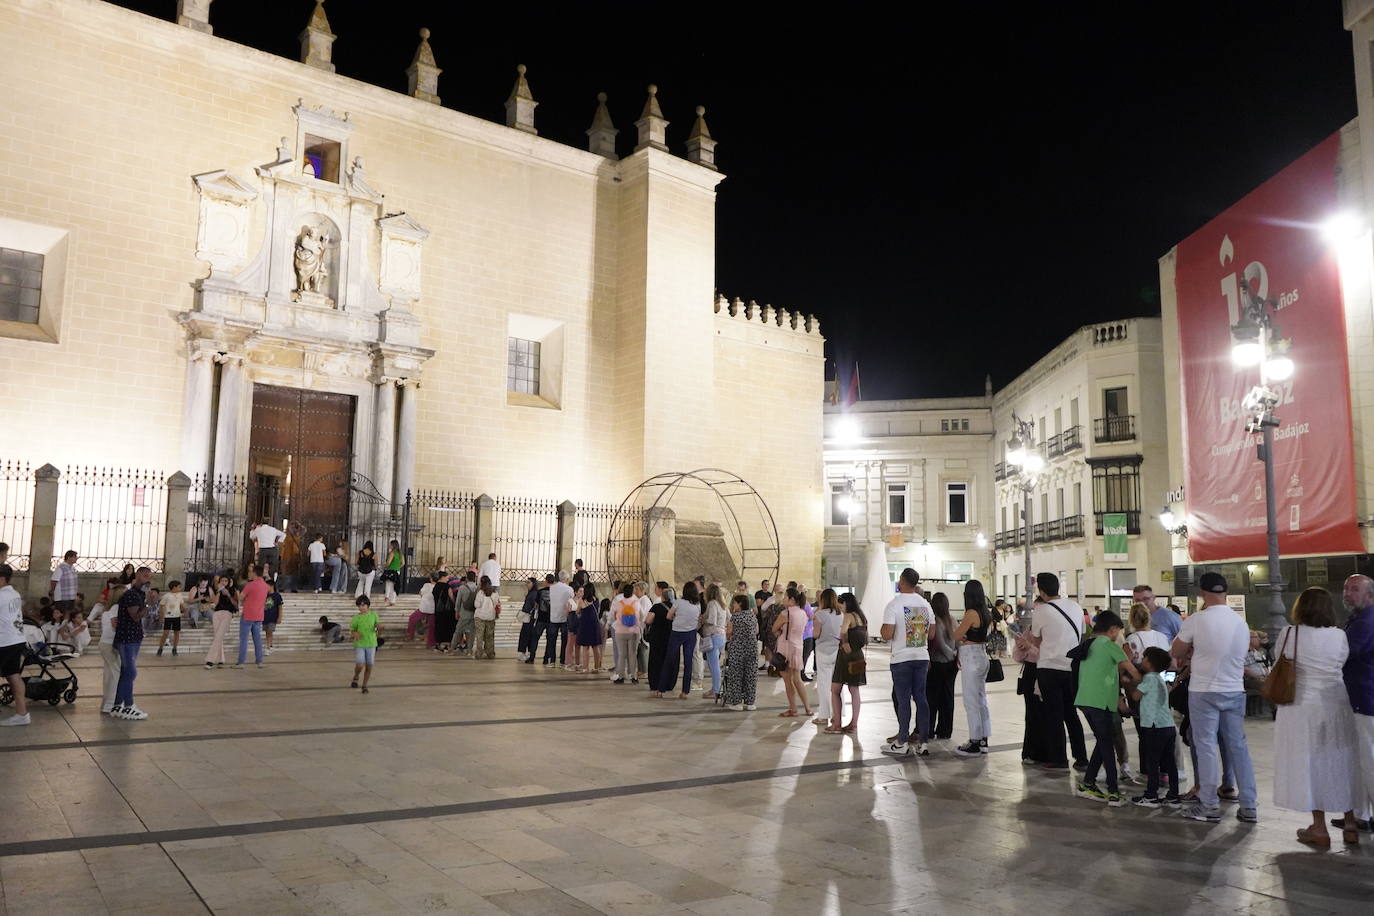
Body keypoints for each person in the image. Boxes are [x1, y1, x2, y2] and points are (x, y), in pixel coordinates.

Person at [1265, 587, 1361, 846]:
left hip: (1301, 707)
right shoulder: (1339, 635)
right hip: (1336, 704)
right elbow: (1342, 663)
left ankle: (1319, 828)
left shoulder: (1290, 633)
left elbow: (1280, 659)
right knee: (1341, 760)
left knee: (1310, 765)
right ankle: (1350, 824)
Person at [1171, 571, 1258, 824]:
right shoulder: (1240, 623)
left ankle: (1209, 804)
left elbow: (1176, 651)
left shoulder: (1197, 620)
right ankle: (1249, 806)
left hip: (1204, 690)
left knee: (1206, 746)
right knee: (1238, 747)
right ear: (1226, 593)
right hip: (1234, 690)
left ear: (1202, 593)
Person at [1073, 610, 1139, 806]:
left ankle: (1088, 783)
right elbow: (1134, 673)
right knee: (1107, 745)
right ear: (1112, 630)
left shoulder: (1089, 644)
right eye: (1119, 632)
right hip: (1100, 703)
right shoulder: (1111, 646)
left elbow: (1104, 670)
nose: (1119, 636)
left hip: (1085, 700)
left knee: (1103, 741)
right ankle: (1113, 792)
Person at [1029, 572, 1089, 771]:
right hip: (1071, 667)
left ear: (1042, 591)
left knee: (1053, 715)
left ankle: (1059, 759)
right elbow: (1081, 634)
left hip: (1049, 668)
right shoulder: (1075, 607)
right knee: (1071, 714)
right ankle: (1081, 758)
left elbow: (1036, 640)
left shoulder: (1041, 610)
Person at [881, 568, 936, 758]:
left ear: (902, 581)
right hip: (921, 656)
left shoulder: (894, 604)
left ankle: (902, 742)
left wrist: (884, 628)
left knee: (903, 700)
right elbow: (931, 634)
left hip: (901, 658)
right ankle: (924, 742)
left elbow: (887, 634)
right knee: (921, 698)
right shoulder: (925, 604)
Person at [1340, 574, 1374, 839]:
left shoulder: (1366, 621)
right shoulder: (1358, 618)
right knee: (1361, 759)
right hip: (1361, 697)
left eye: (1354, 589)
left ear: (1369, 594)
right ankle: (1361, 816)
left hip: (1366, 698)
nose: (1347, 593)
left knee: (1369, 760)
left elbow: (1346, 652)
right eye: (1346, 589)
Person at [1129, 646, 1181, 808]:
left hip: (1154, 726)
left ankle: (1151, 795)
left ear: (1150, 663)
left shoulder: (1149, 679)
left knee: (1152, 762)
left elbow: (1135, 696)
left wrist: (1130, 683)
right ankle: (1173, 795)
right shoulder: (1159, 678)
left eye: (1144, 659)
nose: (1142, 661)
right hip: (1167, 725)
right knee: (1170, 762)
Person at [953, 579, 994, 757]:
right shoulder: (986, 612)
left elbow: (956, 635)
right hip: (982, 656)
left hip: (971, 657)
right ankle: (983, 739)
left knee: (971, 701)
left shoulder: (971, 613)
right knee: (981, 699)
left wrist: (962, 636)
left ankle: (974, 741)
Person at [112, 566, 153, 720]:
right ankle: (128, 706)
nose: (148, 579)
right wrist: (148, 604)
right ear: (138, 575)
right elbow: (135, 616)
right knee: (130, 672)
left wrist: (147, 602)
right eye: (146, 576)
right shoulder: (131, 594)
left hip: (134, 637)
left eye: (150, 577)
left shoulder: (139, 594)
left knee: (126, 672)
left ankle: (118, 706)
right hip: (127, 639)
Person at [826, 593, 868, 734]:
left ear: (846, 603)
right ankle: (853, 724)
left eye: (840, 604)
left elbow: (843, 632)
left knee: (835, 689)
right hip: (858, 655)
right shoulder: (861, 617)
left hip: (846, 656)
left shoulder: (848, 616)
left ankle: (837, 724)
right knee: (854, 690)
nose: (839, 607)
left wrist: (844, 643)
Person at [654, 581, 703, 699]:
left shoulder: (678, 602)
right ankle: (685, 691)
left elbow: (669, 616)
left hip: (677, 633)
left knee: (669, 660)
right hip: (690, 634)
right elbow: (698, 618)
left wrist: (678, 618)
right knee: (688, 662)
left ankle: (661, 689)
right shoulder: (697, 604)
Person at [926, 591, 958, 741]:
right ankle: (945, 730)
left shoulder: (936, 621)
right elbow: (958, 640)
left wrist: (950, 655)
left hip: (937, 664)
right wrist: (955, 655)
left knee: (932, 698)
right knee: (948, 698)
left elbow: (940, 644)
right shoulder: (952, 620)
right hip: (951, 666)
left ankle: (929, 729)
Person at [0, 564, 30, 727]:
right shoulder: (14, 594)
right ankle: (22, 714)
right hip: (17, 639)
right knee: (13, 676)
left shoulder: (1, 596)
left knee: (13, 676)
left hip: (4, 641)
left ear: (2, 578)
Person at [721, 593, 759, 710]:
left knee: (736, 675)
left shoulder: (735, 617)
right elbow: (756, 630)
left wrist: (729, 637)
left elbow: (729, 632)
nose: (733, 605)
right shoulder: (752, 616)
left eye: (735, 603)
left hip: (737, 648)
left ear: (740, 604)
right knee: (750, 675)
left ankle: (736, 703)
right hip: (752, 648)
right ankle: (750, 703)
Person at [811, 589, 842, 725]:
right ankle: (837, 714)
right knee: (837, 684)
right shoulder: (840, 614)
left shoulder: (820, 614)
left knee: (823, 684)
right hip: (837, 650)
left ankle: (823, 716)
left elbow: (816, 634)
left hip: (823, 651)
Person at [95, 586, 125, 715]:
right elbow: (115, 625)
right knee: (114, 674)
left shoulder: (108, 609)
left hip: (105, 643)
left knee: (109, 674)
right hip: (110, 644)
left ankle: (106, 703)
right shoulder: (117, 608)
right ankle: (110, 704)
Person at [234, 564, 268, 668]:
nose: (250, 574)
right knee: (257, 639)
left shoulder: (250, 585)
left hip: (248, 615)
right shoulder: (265, 586)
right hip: (259, 615)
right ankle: (259, 661)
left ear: (254, 573)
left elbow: (241, 597)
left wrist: (241, 596)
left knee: (244, 639)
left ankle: (241, 662)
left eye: (251, 572)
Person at [611, 582, 643, 684]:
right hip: (634, 631)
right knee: (632, 654)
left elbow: (613, 615)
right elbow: (641, 616)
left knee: (621, 655)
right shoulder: (636, 602)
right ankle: (633, 676)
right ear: (632, 592)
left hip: (620, 631)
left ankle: (620, 676)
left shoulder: (618, 603)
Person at [204, 571, 237, 669]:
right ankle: (221, 659)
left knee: (219, 636)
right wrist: (218, 592)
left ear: (229, 582)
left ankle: (210, 660)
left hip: (227, 614)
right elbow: (215, 603)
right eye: (222, 581)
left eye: (226, 581)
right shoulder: (217, 591)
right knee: (218, 637)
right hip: (217, 614)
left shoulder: (233, 591)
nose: (224, 582)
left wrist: (228, 595)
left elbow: (236, 604)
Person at [644, 582, 674, 687]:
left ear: (662, 596)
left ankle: (655, 681)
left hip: (657, 636)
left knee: (655, 659)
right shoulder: (674, 607)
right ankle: (668, 682)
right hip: (670, 636)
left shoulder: (657, 607)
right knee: (668, 659)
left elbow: (648, 620)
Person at [350, 596, 380, 693]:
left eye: (363, 605)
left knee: (369, 665)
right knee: (360, 664)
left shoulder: (374, 615)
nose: (361, 607)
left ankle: (364, 685)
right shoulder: (356, 618)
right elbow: (352, 630)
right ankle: (356, 676)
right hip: (360, 644)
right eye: (359, 606)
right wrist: (355, 633)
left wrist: (379, 627)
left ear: (368, 605)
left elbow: (378, 625)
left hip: (371, 643)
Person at [546, 570, 574, 667]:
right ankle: (562, 661)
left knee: (552, 640)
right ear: (566, 579)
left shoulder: (552, 588)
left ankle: (552, 661)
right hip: (565, 617)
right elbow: (572, 600)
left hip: (553, 617)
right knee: (564, 640)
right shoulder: (569, 589)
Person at [571, 583, 600, 672]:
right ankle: (596, 667)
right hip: (594, 625)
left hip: (585, 625)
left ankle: (585, 668)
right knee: (595, 647)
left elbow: (577, 612)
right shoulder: (596, 600)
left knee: (585, 647)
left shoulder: (582, 600)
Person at [472, 575, 501, 659]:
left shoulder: (480, 593)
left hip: (480, 617)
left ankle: (479, 654)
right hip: (490, 617)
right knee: (490, 636)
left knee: (479, 636)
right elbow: (496, 604)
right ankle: (490, 653)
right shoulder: (495, 593)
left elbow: (477, 605)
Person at [155, 580, 185, 657]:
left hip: (177, 616)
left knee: (177, 633)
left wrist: (184, 610)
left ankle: (174, 648)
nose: (180, 588)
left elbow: (181, 604)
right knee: (165, 633)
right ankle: (160, 648)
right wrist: (162, 616)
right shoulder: (167, 596)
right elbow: (161, 606)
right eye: (179, 587)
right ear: (174, 587)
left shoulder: (180, 595)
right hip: (168, 616)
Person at [431, 571, 456, 652]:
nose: (448, 579)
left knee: (438, 626)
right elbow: (451, 597)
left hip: (437, 610)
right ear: (442, 577)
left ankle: (438, 644)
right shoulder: (447, 586)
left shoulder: (435, 586)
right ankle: (446, 645)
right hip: (446, 611)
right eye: (447, 578)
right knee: (447, 626)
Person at [49, 549, 79, 614]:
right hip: (62, 597)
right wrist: (52, 591)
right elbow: (54, 580)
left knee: (68, 613)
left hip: (71, 596)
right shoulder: (61, 568)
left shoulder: (72, 568)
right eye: (74, 557)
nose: (76, 558)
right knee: (61, 613)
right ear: (68, 557)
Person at [516, 577, 539, 661]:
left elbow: (532, 606)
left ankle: (524, 652)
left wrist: (525, 611)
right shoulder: (532, 593)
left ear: (533, 584)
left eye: (529, 582)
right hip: (529, 617)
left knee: (525, 635)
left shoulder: (533, 594)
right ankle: (526, 652)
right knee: (526, 635)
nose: (527, 584)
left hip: (529, 617)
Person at [262, 576, 283, 655]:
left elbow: (280, 607)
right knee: (267, 632)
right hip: (265, 617)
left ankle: (268, 647)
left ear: (272, 586)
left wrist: (279, 617)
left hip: (273, 617)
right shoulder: (264, 595)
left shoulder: (277, 595)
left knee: (270, 631)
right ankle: (270, 646)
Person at [379, 539, 403, 606]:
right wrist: (397, 567)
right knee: (394, 586)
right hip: (397, 571)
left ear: (393, 545)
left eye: (390, 544)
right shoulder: (400, 554)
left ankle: (386, 600)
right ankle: (392, 601)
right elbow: (403, 563)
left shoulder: (392, 553)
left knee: (388, 586)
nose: (389, 546)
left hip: (390, 571)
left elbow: (388, 563)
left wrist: (383, 566)